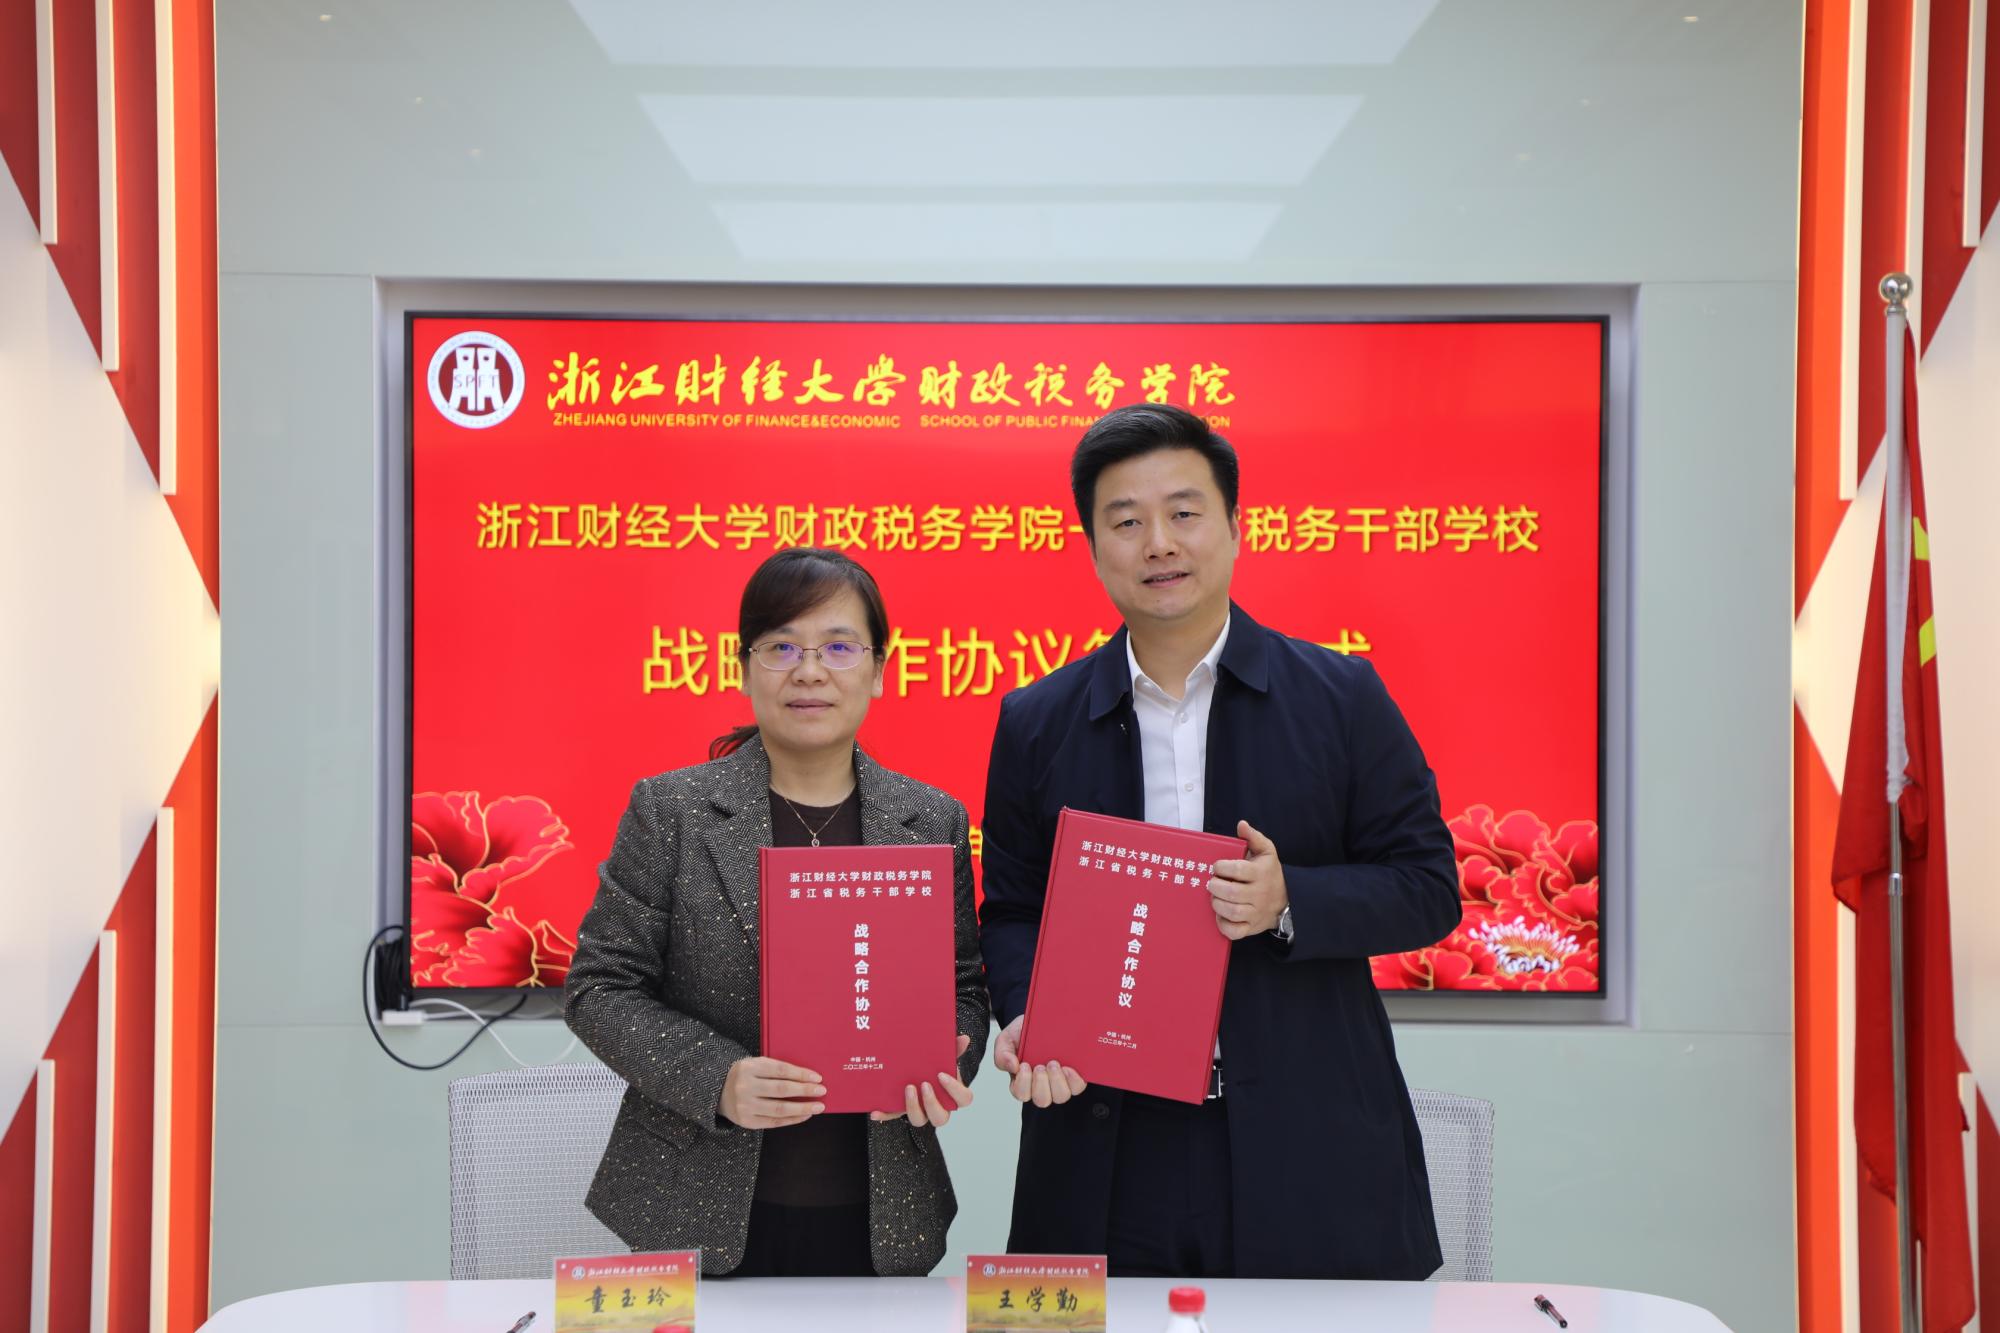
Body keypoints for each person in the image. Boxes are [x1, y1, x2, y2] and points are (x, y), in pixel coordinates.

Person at [978, 403, 1461, 1280]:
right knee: (1075, 1327)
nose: (1159, 543)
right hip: (1106, 1141)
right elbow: (1011, 908)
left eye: (1184, 512)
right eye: (1127, 521)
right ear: (1094, 546)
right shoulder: (1037, 720)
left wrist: (1290, 899)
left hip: (1302, 1141)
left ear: (1235, 527)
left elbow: (1428, 885)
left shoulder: (1341, 697)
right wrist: (1023, 1013)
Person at [566, 547, 988, 1277]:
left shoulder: (930, 820)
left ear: (879, 670)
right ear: (744, 667)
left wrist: (948, 1054)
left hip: (884, 1211)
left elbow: (965, 989)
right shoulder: (671, 811)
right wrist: (717, 1076)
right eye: (782, 647)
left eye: (839, 647)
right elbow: (598, 988)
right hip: (694, 1205)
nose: (810, 670)